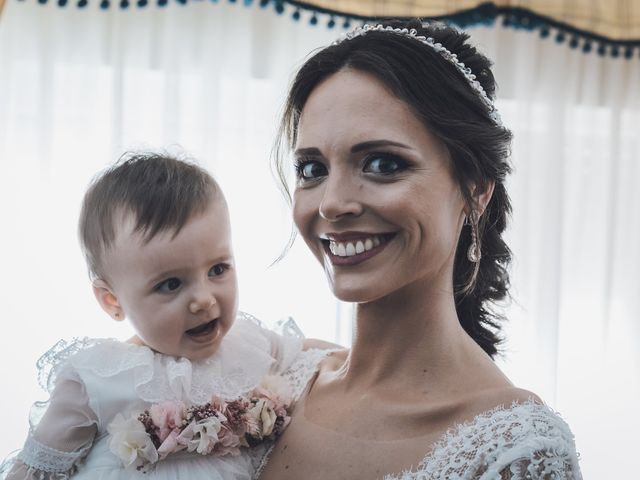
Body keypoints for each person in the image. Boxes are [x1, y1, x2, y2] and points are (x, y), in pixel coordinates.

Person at [256, 20, 583, 480]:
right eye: (312, 168)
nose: (331, 203)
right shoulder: (283, 381)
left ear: (474, 191)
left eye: (382, 164)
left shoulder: (513, 449)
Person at [1, 152, 305, 480]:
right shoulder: (98, 381)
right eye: (171, 284)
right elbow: (35, 472)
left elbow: (317, 358)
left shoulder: (250, 344)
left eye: (218, 269)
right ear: (112, 300)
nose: (203, 299)